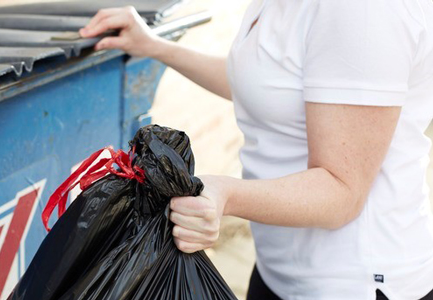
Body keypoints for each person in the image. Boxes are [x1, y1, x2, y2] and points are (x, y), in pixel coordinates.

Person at [78, 1, 433, 299]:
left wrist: (224, 195)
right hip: (277, 272)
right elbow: (267, 85)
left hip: (351, 283)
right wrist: (155, 46)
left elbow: (343, 190)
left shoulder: (364, 11)